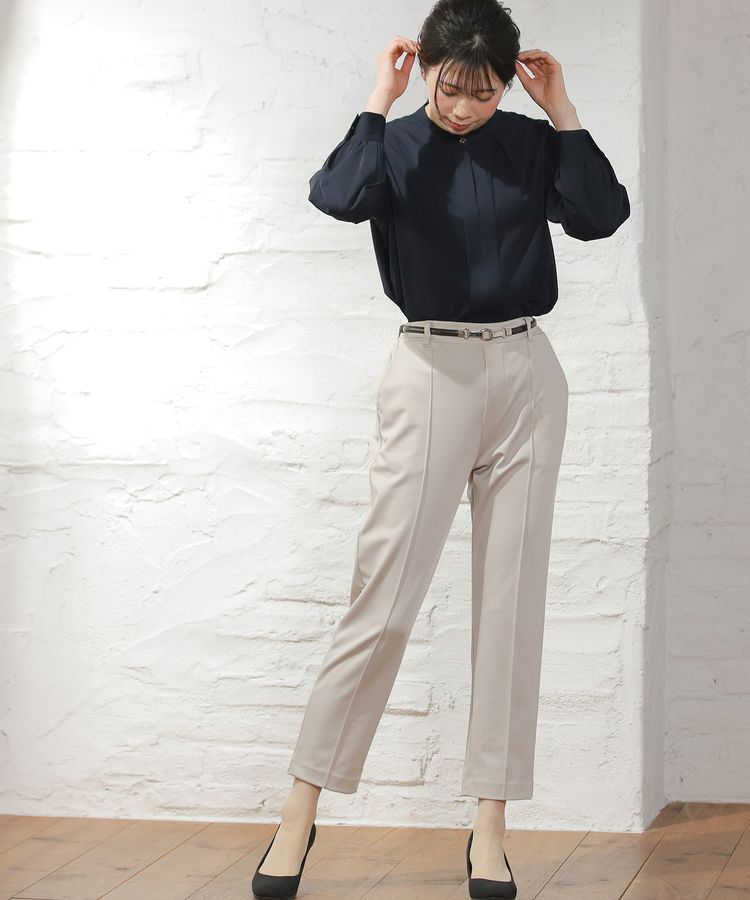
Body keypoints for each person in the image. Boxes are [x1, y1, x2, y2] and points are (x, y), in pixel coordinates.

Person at [252, 1, 630, 898]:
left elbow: (600, 216)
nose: (464, 108)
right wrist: (377, 101)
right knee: (383, 596)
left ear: (507, 85)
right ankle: (299, 812)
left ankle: (490, 828)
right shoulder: (391, 145)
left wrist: (562, 110)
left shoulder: (531, 143)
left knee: (510, 606)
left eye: (484, 92)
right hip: (430, 370)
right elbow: (336, 197)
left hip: (527, 373)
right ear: (424, 69)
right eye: (451, 88)